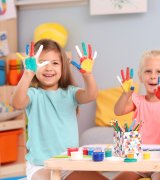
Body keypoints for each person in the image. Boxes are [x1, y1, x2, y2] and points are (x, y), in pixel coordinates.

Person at [11, 39, 106, 180]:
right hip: (41, 165)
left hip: (69, 164)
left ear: (63, 67)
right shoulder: (33, 94)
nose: (49, 68)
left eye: (55, 63)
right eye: (42, 63)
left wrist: (87, 75)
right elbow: (17, 103)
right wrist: (28, 73)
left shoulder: (71, 93)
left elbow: (91, 95)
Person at [114, 50, 160, 180]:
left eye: (159, 72)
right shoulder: (137, 101)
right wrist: (126, 94)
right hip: (138, 159)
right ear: (140, 76)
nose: (153, 76)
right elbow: (118, 111)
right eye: (148, 71)